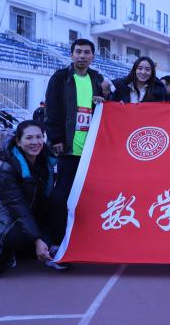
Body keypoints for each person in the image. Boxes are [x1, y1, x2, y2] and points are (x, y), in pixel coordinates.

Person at [0, 120, 61, 278]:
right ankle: (12, 252)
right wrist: (37, 239)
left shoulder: (45, 162)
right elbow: (19, 208)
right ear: (18, 141)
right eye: (29, 138)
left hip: (31, 216)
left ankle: (32, 248)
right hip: (8, 221)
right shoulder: (8, 168)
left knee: (60, 205)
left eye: (39, 137)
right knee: (15, 237)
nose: (35, 142)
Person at [44, 38, 108, 243]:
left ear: (93, 56)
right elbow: (51, 110)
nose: (82, 56)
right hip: (69, 148)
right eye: (78, 52)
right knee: (61, 195)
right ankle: (57, 239)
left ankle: (84, 238)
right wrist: (56, 138)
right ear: (71, 55)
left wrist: (104, 99)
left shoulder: (97, 79)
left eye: (86, 52)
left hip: (92, 150)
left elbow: (109, 107)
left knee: (89, 195)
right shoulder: (60, 78)